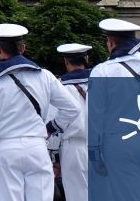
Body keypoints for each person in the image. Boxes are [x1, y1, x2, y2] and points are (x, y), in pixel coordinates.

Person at [0, 24, 80, 201]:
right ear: (23, 48)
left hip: (5, 148)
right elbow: (72, 108)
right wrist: (51, 128)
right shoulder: (45, 75)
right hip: (37, 145)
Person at [86, 18, 140, 201]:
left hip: (119, 141)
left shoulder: (103, 71)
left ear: (110, 43)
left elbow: (94, 116)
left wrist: (94, 152)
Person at [51, 43, 92, 201]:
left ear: (66, 62)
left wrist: (54, 158)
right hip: (103, 147)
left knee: (77, 195)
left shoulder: (60, 87)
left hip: (74, 147)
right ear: (86, 59)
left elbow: (55, 124)